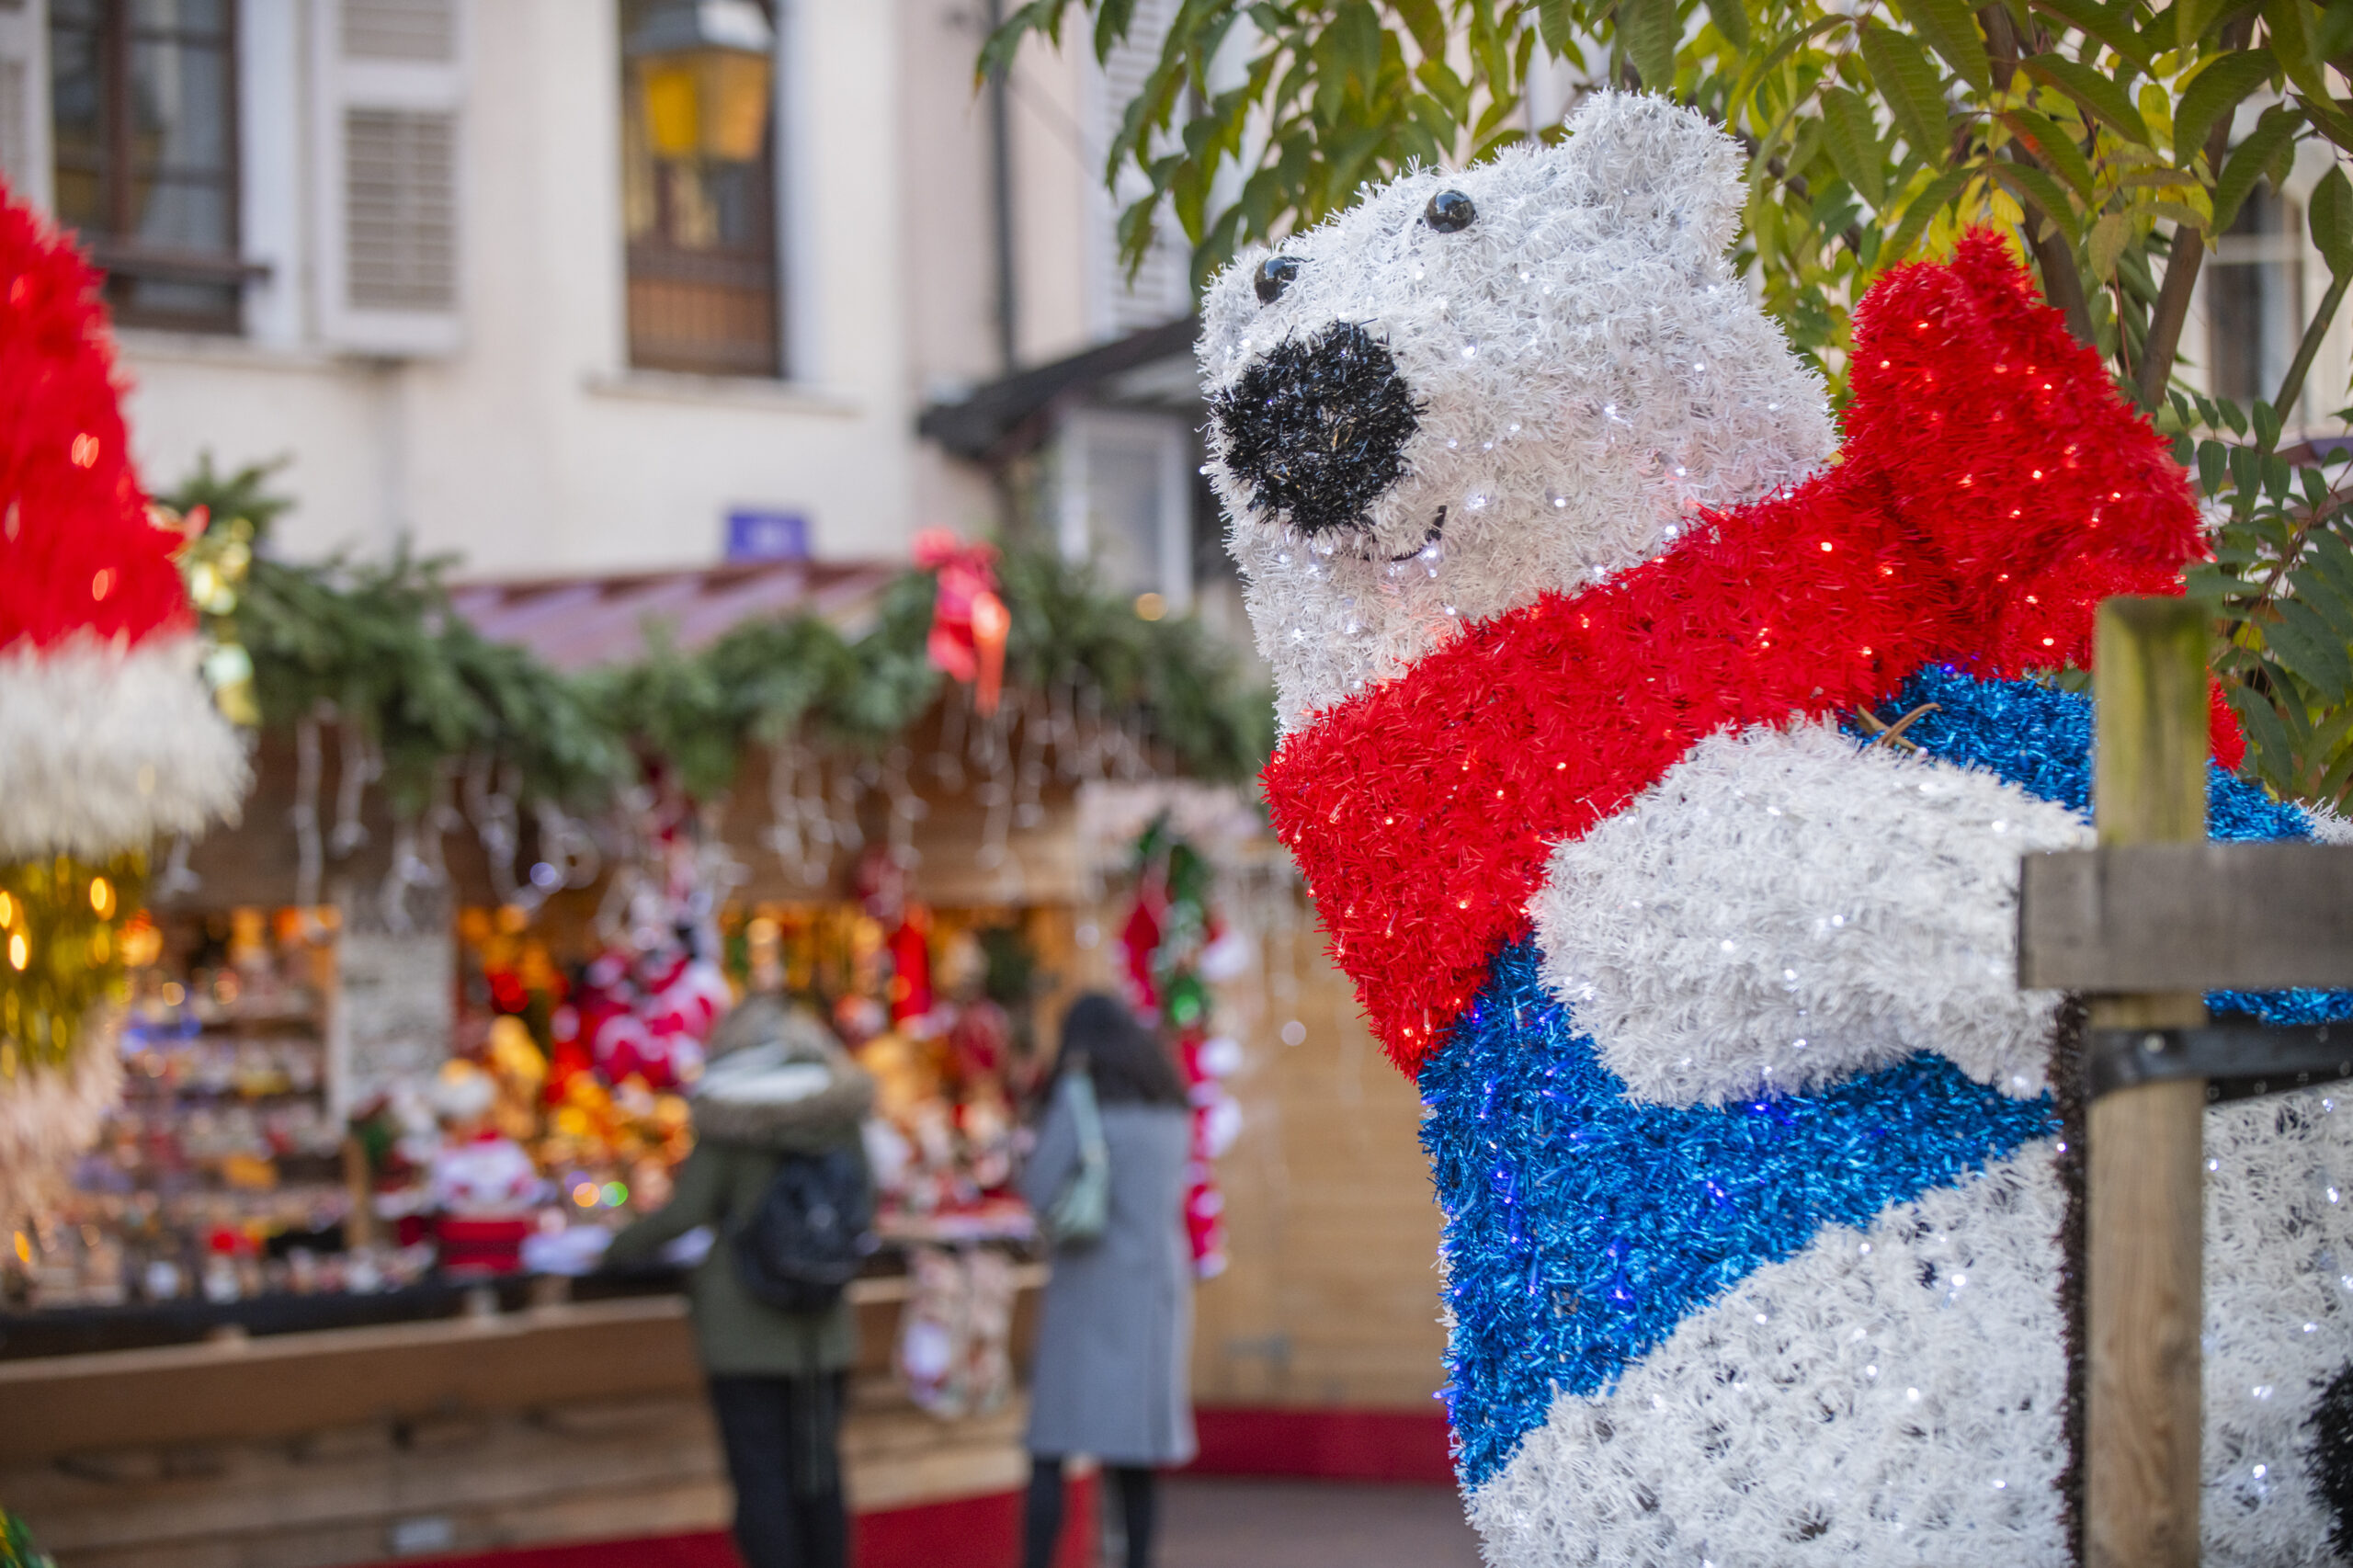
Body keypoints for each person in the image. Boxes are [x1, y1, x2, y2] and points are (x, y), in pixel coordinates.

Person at [608, 998, 875, 1568]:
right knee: (819, 1473)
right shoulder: (839, 1115)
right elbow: (865, 1204)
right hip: (820, 1326)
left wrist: (613, 1246)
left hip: (742, 1327)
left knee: (760, 1478)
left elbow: (686, 1214)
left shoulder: (732, 1117)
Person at [1018, 993, 1197, 1568]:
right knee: (1134, 1457)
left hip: (1088, 1293)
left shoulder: (1079, 1098)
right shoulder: (1171, 1106)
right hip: (1155, 1295)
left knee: (1050, 1447)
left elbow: (1040, 1191)